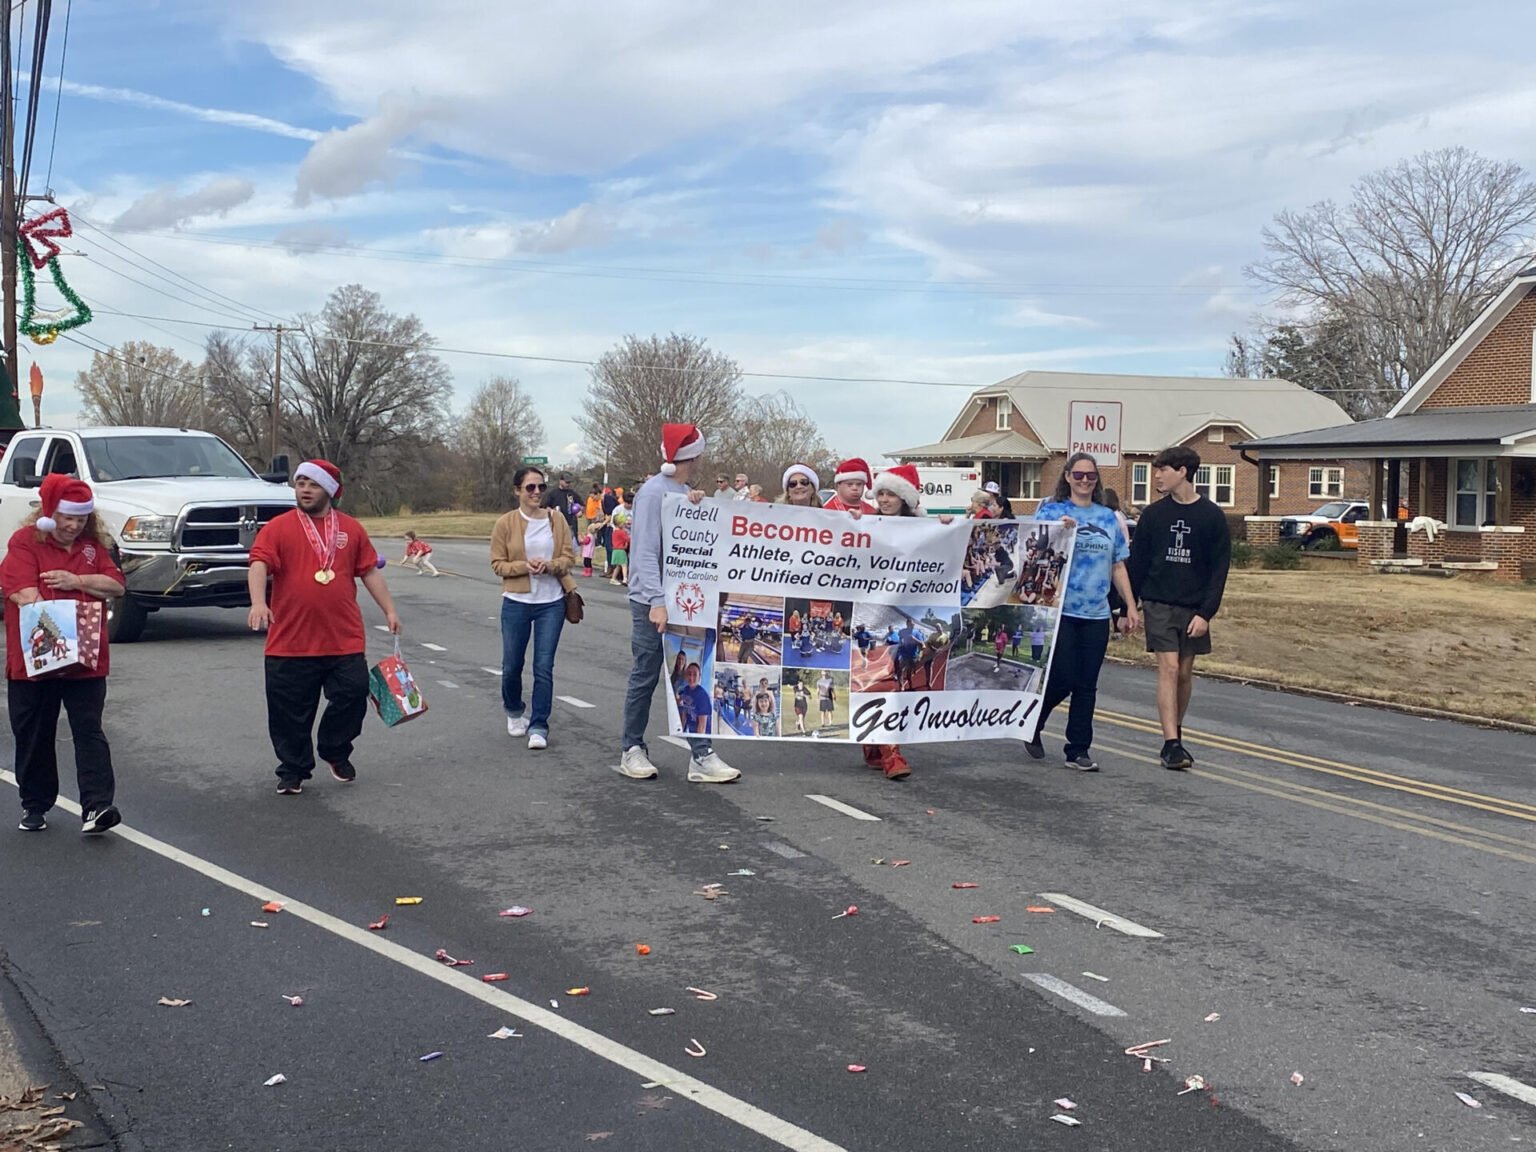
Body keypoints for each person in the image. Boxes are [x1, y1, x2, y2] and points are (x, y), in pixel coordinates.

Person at [248, 460, 400, 794]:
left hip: (342, 639)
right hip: (290, 640)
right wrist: (259, 602)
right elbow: (259, 564)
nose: (304, 489)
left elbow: (369, 571)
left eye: (312, 484)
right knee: (289, 713)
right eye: (300, 483)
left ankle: (335, 748)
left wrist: (389, 609)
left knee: (354, 693)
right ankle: (293, 769)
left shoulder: (351, 529)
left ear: (329, 489)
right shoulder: (278, 528)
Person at [2, 474, 126, 834]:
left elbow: (115, 585)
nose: (74, 525)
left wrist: (78, 582)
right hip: (35, 660)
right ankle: (35, 804)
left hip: (86, 661)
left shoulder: (93, 547)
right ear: (48, 513)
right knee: (34, 732)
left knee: (89, 730)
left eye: (81, 519)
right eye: (67, 517)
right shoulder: (24, 543)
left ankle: (98, 807)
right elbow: (23, 592)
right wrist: (61, 634)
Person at [617, 424, 740, 783]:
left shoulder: (681, 491)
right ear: (694, 456)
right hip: (653, 601)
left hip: (684, 601)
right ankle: (632, 748)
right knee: (645, 675)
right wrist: (656, 601)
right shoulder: (654, 491)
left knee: (691, 676)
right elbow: (643, 552)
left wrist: (696, 509)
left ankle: (700, 754)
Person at [1027, 452, 1140, 771]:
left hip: (1096, 612)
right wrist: (1056, 530)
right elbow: (1032, 550)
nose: (1085, 481)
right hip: (1060, 609)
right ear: (1067, 477)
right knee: (1063, 677)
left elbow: (1118, 565)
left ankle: (1077, 749)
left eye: (1090, 476)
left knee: (1087, 683)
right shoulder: (1052, 511)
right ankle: (1032, 721)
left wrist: (1130, 605)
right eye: (1079, 475)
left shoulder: (1108, 517)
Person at [1127, 445, 1229, 772]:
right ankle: (1171, 744)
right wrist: (1126, 606)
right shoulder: (1154, 516)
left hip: (1194, 606)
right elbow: (1138, 564)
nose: (1157, 475)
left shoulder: (1212, 516)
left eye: (1163, 469)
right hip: (1158, 602)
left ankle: (1175, 730)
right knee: (1168, 668)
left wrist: (1206, 614)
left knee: (1184, 673)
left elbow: (1219, 570)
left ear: (1182, 471)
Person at [492, 466, 578, 751]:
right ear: (518, 491)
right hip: (517, 602)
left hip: (551, 602)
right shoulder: (505, 523)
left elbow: (568, 557)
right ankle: (514, 710)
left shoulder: (557, 520)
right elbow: (497, 564)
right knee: (512, 665)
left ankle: (539, 725)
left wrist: (550, 565)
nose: (537, 492)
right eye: (530, 488)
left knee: (543, 666)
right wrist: (523, 567)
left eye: (541, 487)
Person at [675, 663, 712, 735]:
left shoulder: (702, 696)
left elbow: (702, 725)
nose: (691, 678)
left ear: (699, 677)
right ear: (686, 676)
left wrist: (698, 741)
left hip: (701, 734)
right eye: (689, 674)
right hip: (691, 731)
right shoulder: (685, 690)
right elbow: (684, 712)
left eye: (695, 675)